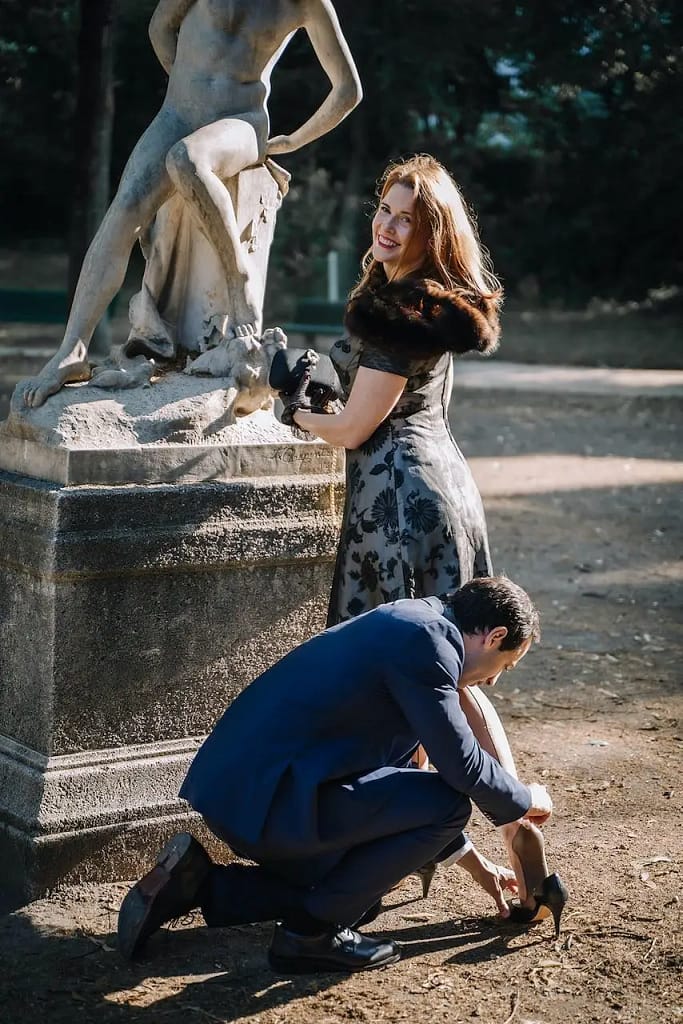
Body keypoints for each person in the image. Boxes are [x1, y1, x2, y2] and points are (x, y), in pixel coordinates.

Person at [117, 577, 568, 973]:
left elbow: (400, 795)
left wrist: (479, 868)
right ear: (495, 636)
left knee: (358, 896)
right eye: (506, 666)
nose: (493, 682)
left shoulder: (414, 622)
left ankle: (201, 885)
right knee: (447, 807)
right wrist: (526, 797)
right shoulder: (428, 644)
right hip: (275, 801)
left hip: (249, 793)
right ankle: (307, 937)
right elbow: (462, 767)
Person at [18, 0, 361, 408]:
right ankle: (72, 351)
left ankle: (239, 278)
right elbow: (160, 28)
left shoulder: (306, 3)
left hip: (242, 123)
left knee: (187, 160)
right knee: (122, 212)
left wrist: (295, 139)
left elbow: (347, 89)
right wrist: (188, 85)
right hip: (178, 114)